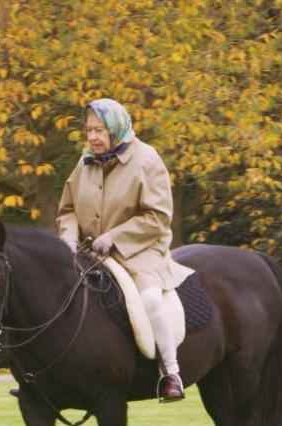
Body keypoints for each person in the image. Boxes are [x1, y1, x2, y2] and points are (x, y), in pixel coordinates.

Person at [56, 98, 192, 401]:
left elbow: (157, 217)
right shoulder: (84, 163)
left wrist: (115, 237)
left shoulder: (147, 160)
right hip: (91, 254)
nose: (92, 137)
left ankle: (171, 373)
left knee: (150, 300)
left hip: (141, 251)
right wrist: (68, 238)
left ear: (116, 129)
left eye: (99, 130)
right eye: (89, 130)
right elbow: (67, 210)